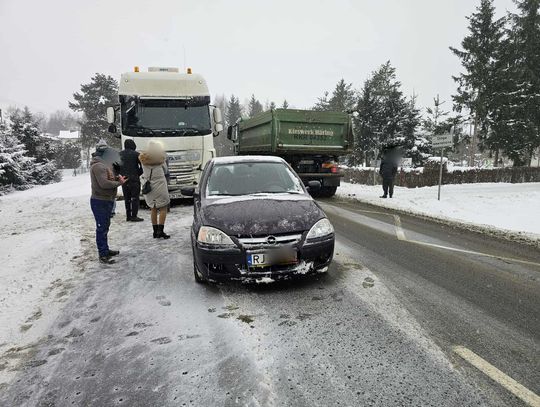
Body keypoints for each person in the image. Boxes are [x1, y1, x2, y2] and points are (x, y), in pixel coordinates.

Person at [90, 139, 127, 264]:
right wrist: (119, 183)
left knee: (105, 226)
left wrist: (117, 178)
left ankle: (105, 249)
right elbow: (104, 183)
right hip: (100, 200)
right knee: (101, 228)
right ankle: (103, 254)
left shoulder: (105, 164)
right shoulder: (98, 166)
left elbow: (108, 178)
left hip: (106, 199)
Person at [139, 140, 171, 239]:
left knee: (153, 208)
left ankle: (154, 231)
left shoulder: (143, 159)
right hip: (160, 185)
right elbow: (165, 170)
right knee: (163, 208)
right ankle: (160, 231)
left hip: (149, 186)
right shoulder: (160, 158)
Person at [119, 139, 144, 222]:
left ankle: (128, 216)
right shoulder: (136, 154)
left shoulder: (119, 154)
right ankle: (134, 215)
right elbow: (142, 166)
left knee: (127, 198)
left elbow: (116, 167)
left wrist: (121, 175)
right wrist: (138, 173)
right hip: (134, 179)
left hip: (124, 179)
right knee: (135, 197)